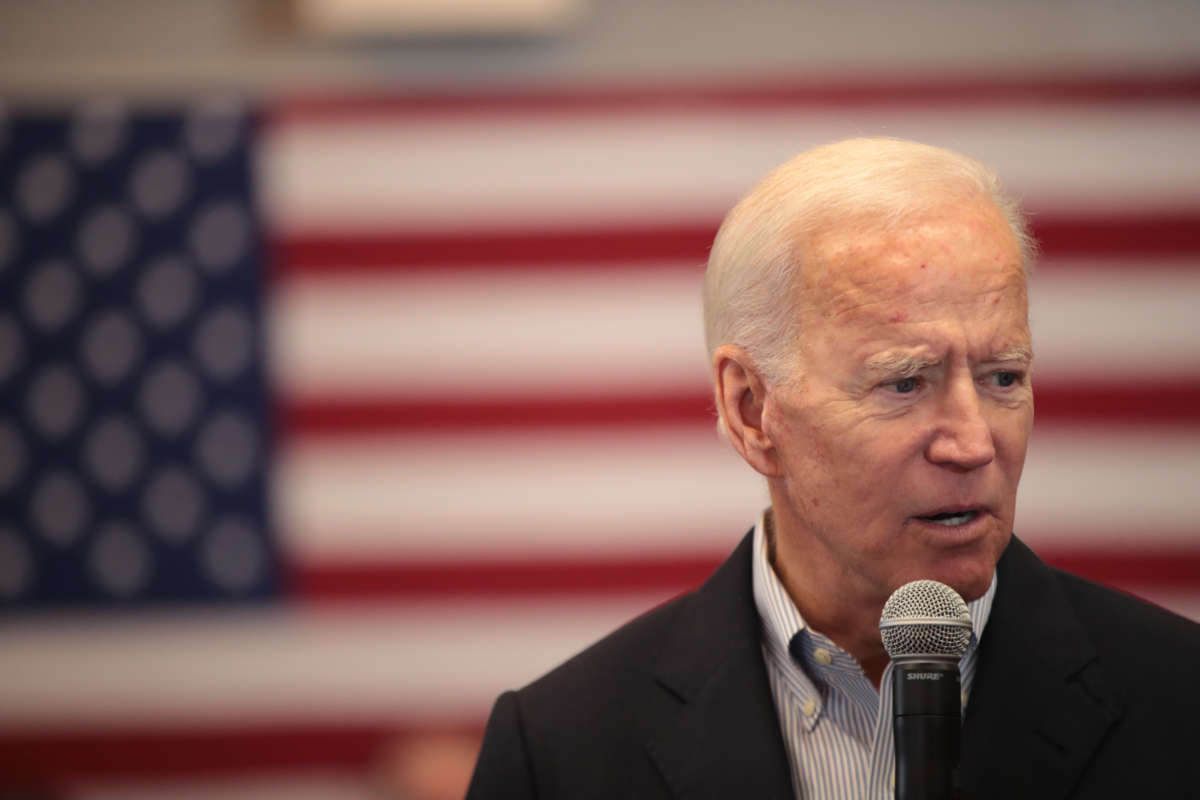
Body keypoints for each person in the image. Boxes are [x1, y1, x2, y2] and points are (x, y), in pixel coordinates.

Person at [465, 138, 1200, 799]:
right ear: (753, 410)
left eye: (1004, 377)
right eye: (904, 383)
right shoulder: (561, 752)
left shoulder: (1181, 701)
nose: (974, 443)